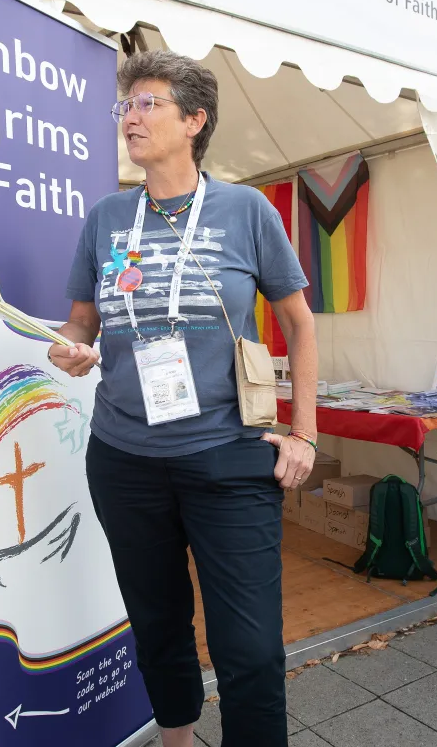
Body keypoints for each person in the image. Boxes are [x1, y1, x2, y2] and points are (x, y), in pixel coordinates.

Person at [49, 49, 318, 747]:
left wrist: (305, 434)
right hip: (124, 458)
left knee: (251, 649)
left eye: (148, 104)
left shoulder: (246, 209)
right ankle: (177, 742)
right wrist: (70, 346)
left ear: (195, 120)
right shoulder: (108, 216)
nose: (129, 118)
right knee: (158, 623)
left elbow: (299, 323)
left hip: (229, 456)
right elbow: (82, 320)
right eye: (124, 106)